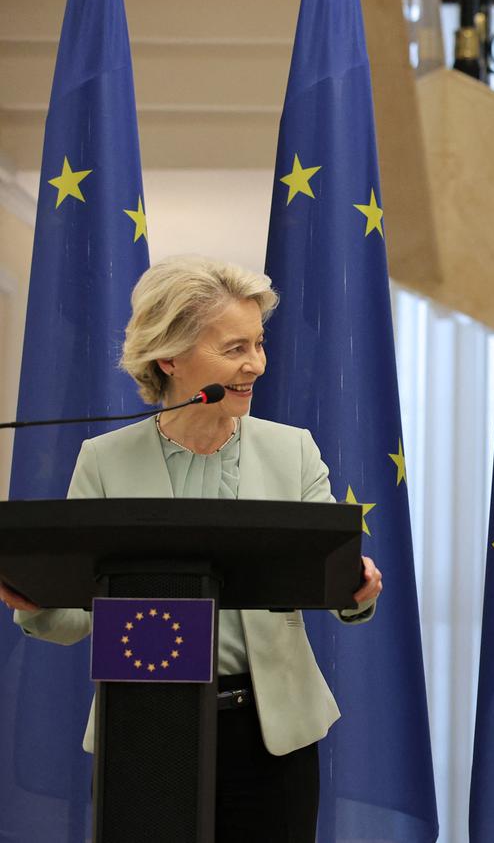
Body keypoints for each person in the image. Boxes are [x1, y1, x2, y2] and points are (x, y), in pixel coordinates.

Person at [0, 255, 382, 841]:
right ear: (170, 357)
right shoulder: (103, 461)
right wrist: (31, 602)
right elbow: (72, 618)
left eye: (257, 344)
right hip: (144, 730)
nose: (254, 364)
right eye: (234, 348)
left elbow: (337, 589)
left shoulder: (294, 451)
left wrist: (358, 589)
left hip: (270, 735)